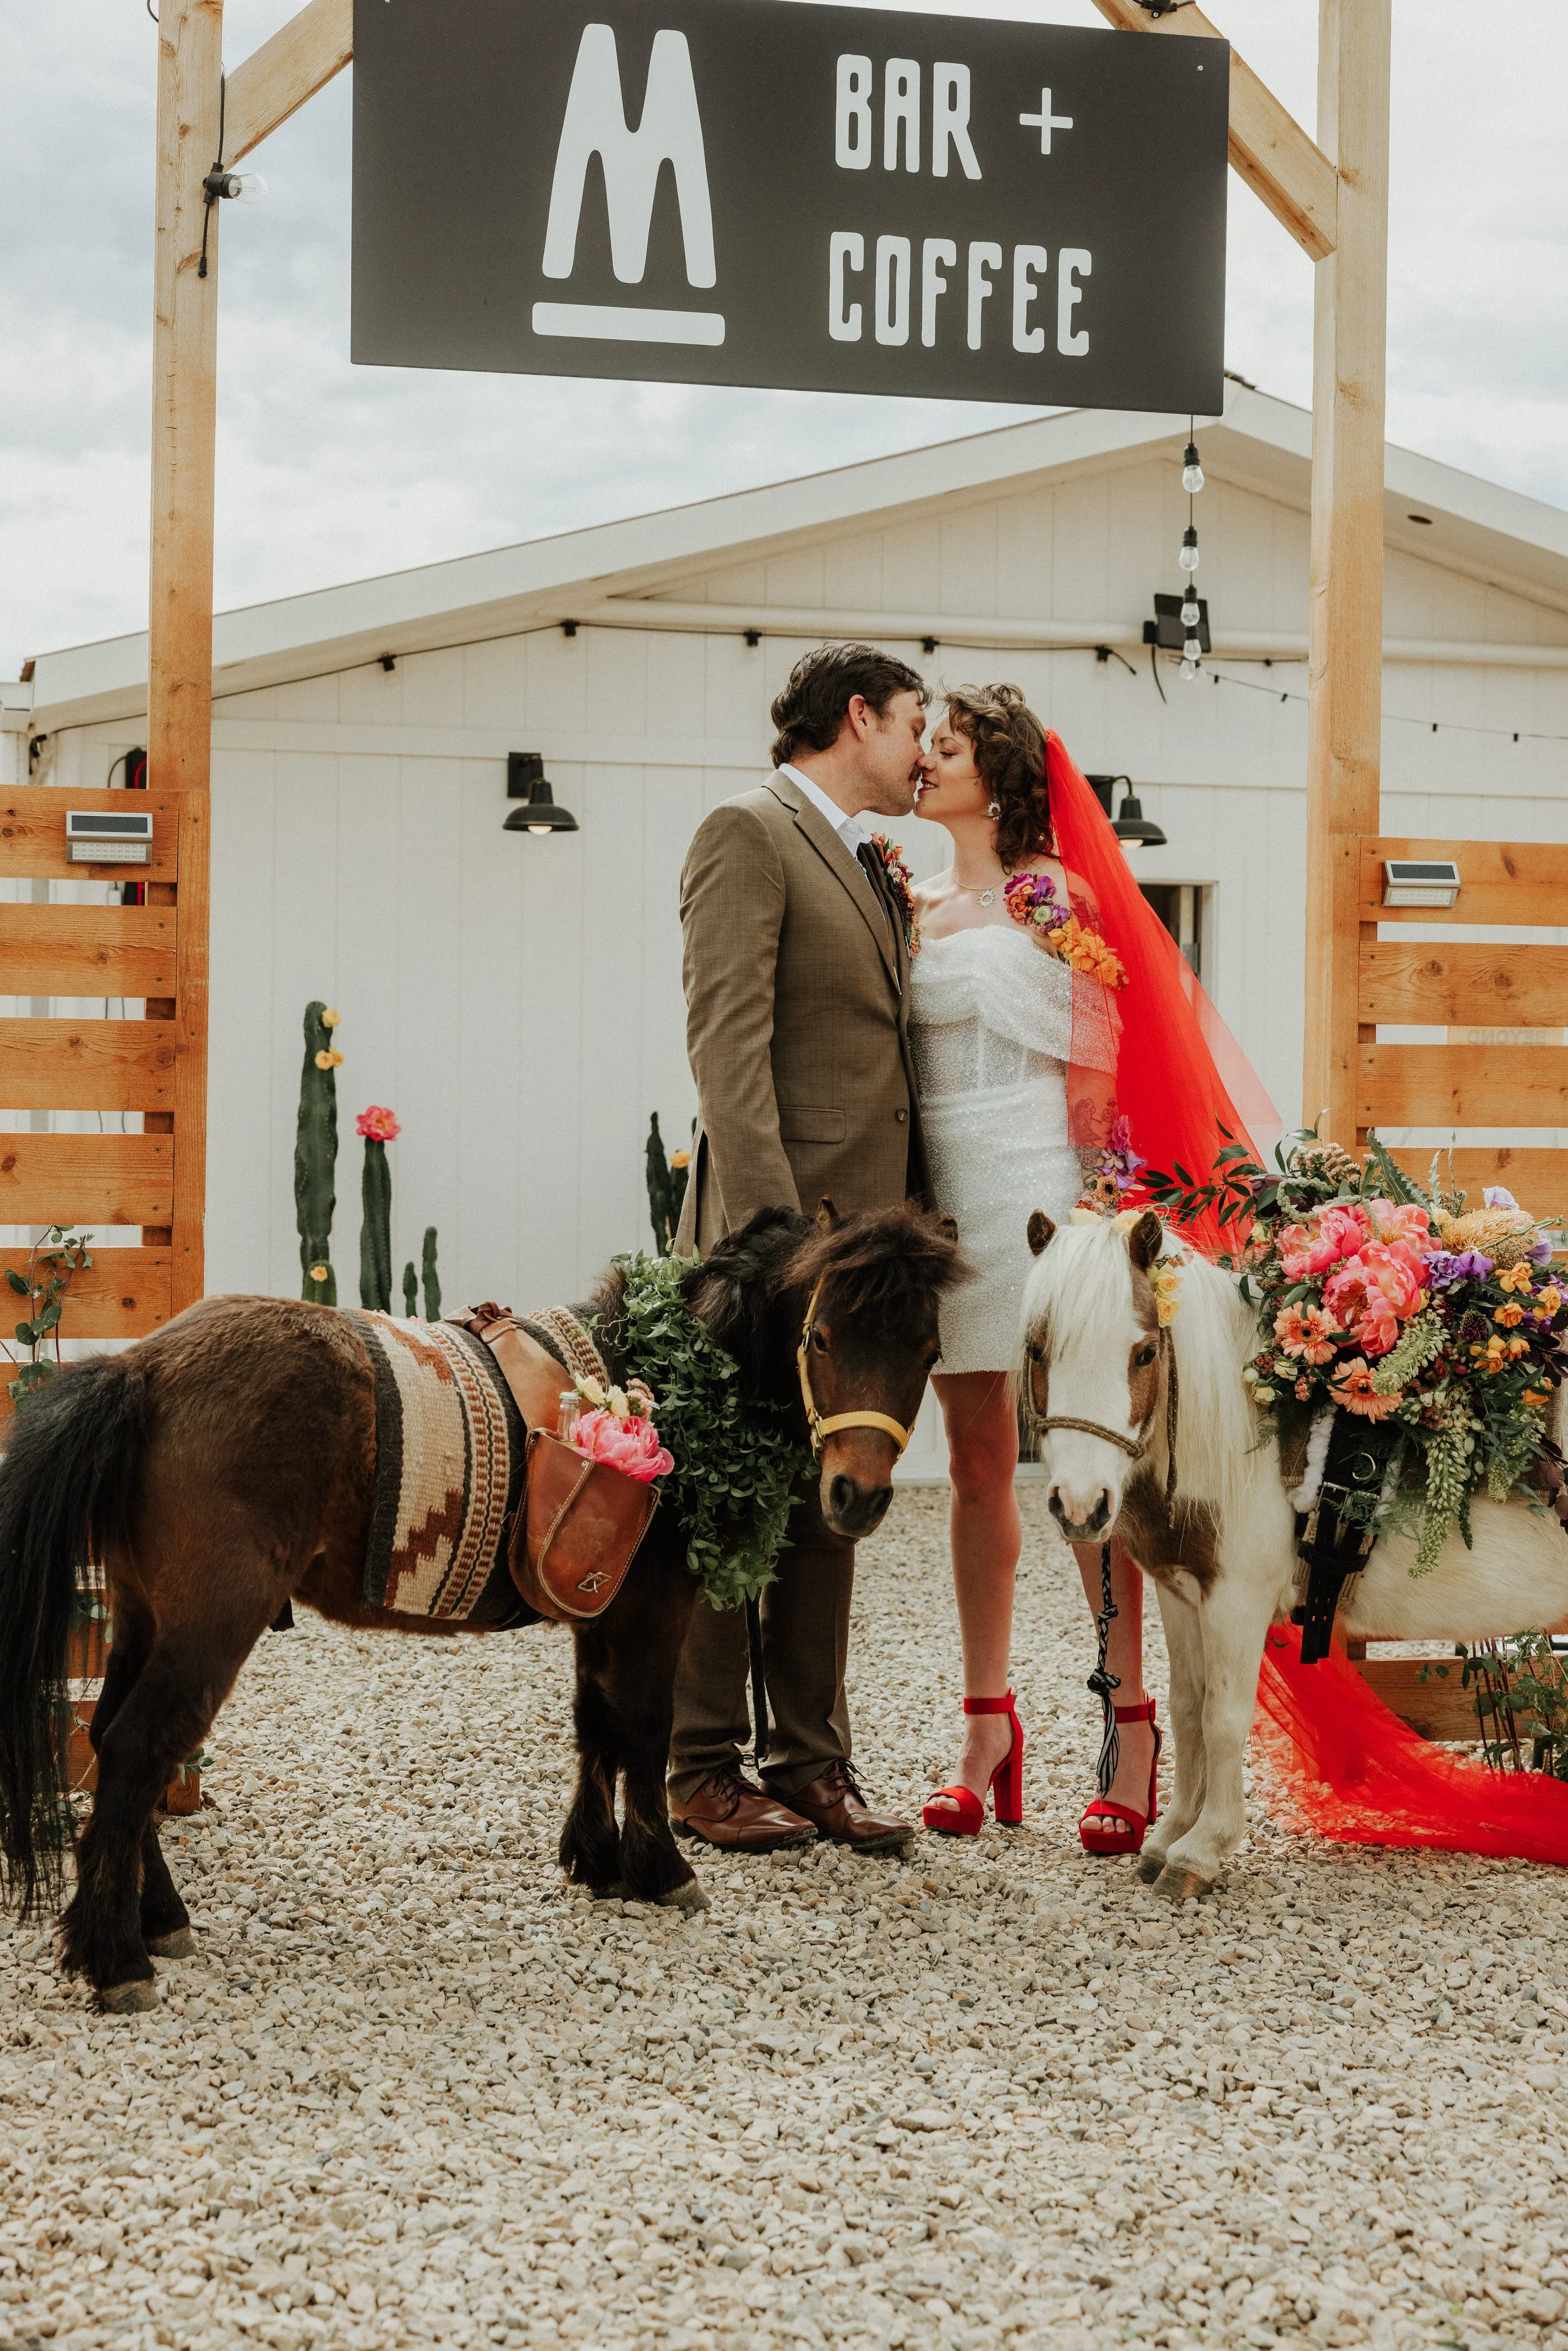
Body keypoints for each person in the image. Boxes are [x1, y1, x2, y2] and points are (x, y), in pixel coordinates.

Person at [908, 686, 1271, 1850]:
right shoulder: (909, 905)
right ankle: (986, 1725)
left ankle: (1130, 1724)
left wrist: (1100, 1218)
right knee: (973, 1465)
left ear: (1000, 771)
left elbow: (1097, 1070)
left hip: (1044, 1199)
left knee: (1087, 1477)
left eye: (947, 747)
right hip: (946, 1209)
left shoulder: (1052, 899)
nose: (925, 761)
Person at [666, 642, 931, 1857]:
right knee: (732, 1495)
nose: (925, 749)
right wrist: (778, 1243)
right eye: (913, 723)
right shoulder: (747, 828)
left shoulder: (876, 860)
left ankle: (814, 1766)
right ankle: (702, 1769)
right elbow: (727, 1044)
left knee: (832, 1496)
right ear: (858, 715)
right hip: (775, 1244)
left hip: (867, 1240)